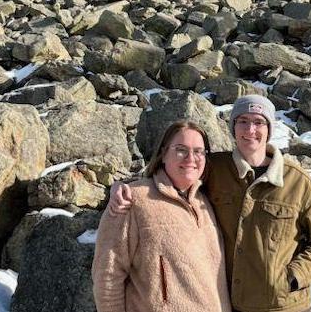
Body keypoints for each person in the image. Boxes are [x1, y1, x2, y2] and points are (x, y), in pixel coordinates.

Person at [109, 95, 311, 312]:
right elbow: (174, 173)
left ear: (269, 129)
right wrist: (123, 187)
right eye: (242, 122)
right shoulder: (215, 168)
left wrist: (293, 277)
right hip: (230, 304)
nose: (250, 130)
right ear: (232, 128)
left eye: (259, 122)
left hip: (285, 306)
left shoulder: (298, 182)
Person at [92, 120, 232, 312]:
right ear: (164, 153)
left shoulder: (206, 201)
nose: (191, 158)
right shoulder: (131, 199)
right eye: (181, 149)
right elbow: (107, 274)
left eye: (199, 151)